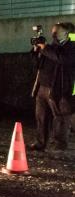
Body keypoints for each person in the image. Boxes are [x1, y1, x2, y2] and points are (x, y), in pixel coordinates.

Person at [30, 22, 75, 151]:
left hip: (58, 88)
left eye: (57, 32)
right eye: (53, 31)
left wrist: (44, 48)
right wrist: (36, 51)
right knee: (41, 116)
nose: (53, 34)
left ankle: (59, 144)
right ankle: (40, 142)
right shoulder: (51, 47)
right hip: (42, 86)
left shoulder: (71, 47)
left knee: (60, 117)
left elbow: (62, 59)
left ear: (66, 34)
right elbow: (37, 64)